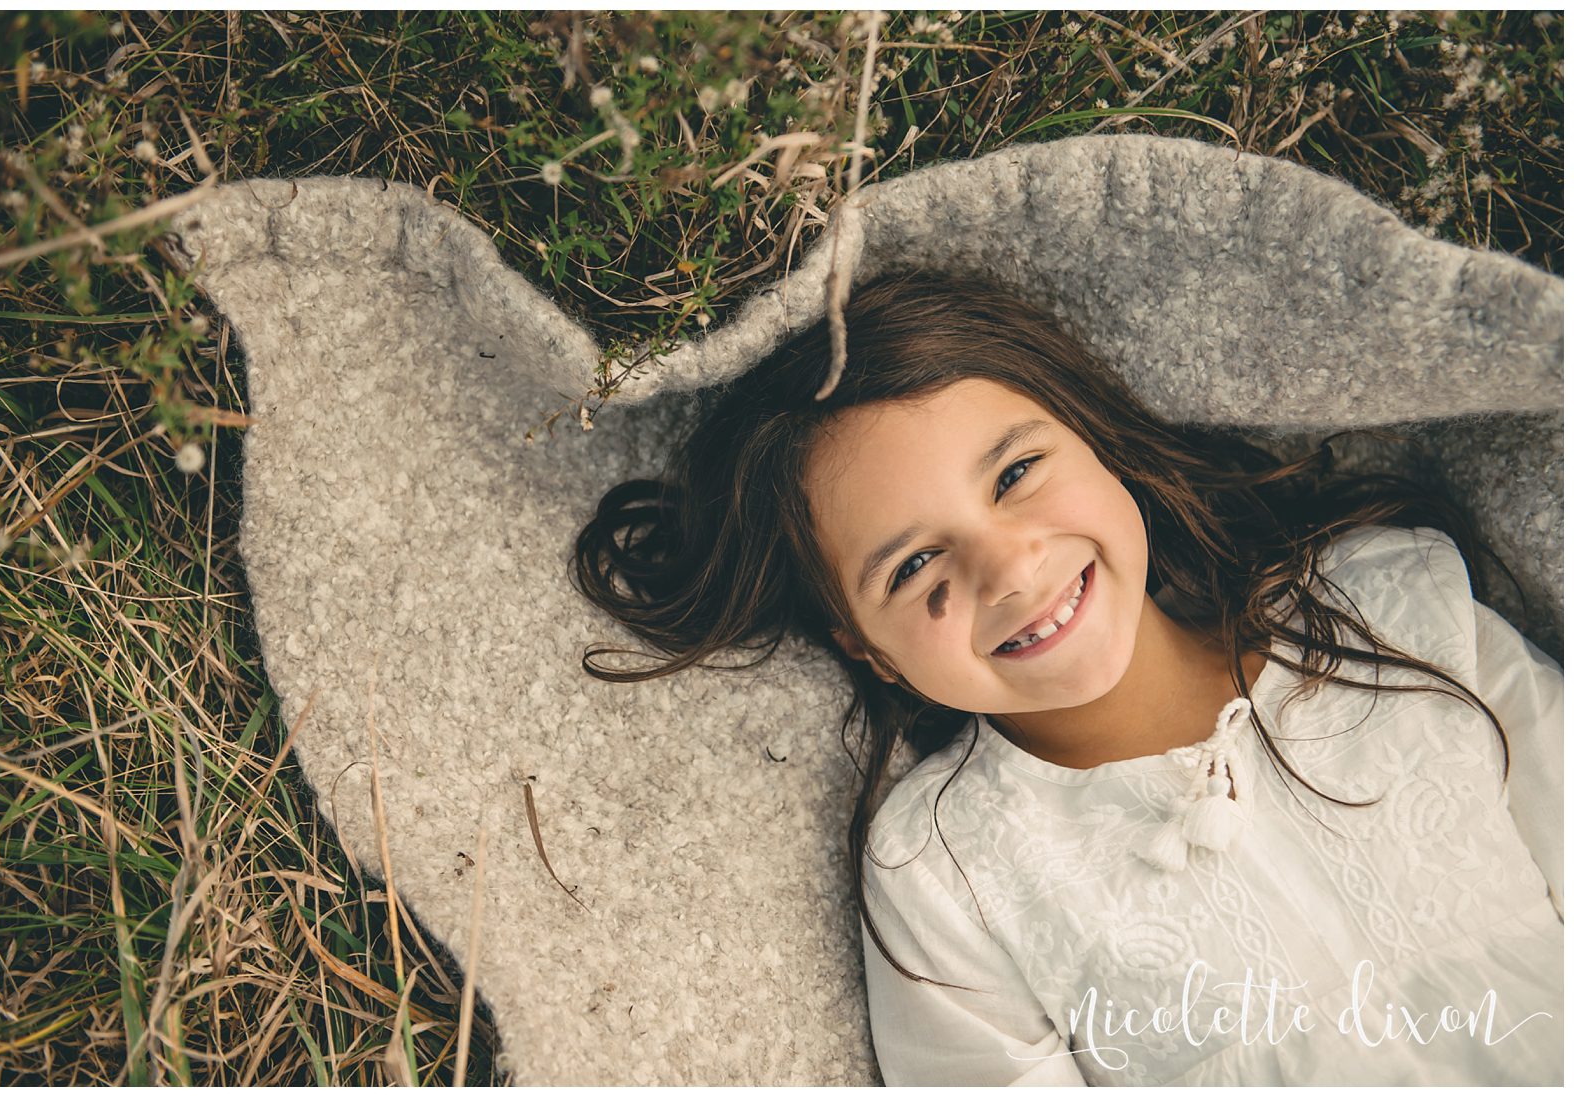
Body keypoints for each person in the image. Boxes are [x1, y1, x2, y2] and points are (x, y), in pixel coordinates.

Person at [571, 271, 1562, 1084]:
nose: (1006, 569)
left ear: (1098, 443)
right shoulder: (948, 871)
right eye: (912, 567)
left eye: (1013, 475)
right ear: (862, 646)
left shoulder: (1392, 612)